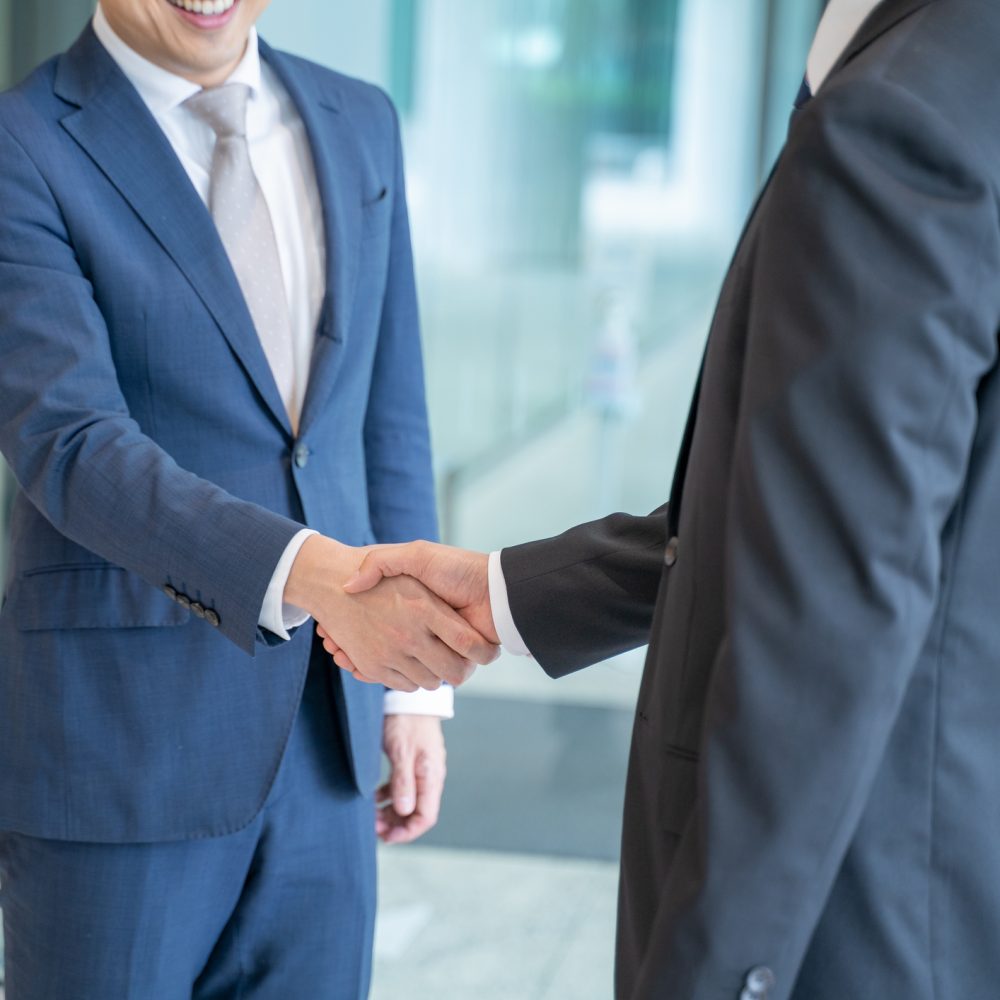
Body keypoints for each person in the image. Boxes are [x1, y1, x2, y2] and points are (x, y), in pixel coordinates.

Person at [329, 1, 1000, 997]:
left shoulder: (898, 115)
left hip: (865, 921)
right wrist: (511, 592)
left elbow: (830, 616)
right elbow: (873, 519)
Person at [0, 0, 498, 997]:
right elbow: (72, 447)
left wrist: (411, 686)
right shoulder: (22, 143)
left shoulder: (358, 119)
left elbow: (384, 418)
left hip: (326, 739)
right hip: (120, 752)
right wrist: (326, 578)